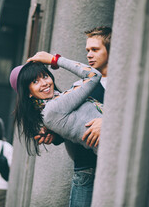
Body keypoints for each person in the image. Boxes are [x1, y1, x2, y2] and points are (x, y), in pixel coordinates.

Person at [30, 26, 111, 207]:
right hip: (85, 167)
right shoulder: (81, 85)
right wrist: (55, 135)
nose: (89, 55)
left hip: (112, 166)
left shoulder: (122, 84)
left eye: (95, 50)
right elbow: (72, 122)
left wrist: (108, 122)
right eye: (87, 50)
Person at [10, 50, 104, 155]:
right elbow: (94, 75)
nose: (44, 83)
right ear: (28, 93)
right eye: (35, 81)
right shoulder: (52, 108)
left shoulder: (53, 105)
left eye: (45, 76)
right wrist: (56, 60)